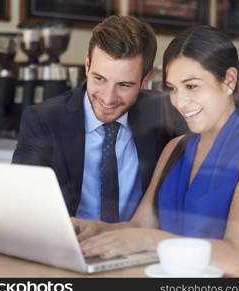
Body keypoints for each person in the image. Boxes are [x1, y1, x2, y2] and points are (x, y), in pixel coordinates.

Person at [72, 25, 239, 277]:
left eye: (192, 86)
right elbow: (139, 226)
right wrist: (92, 228)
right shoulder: (175, 148)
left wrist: (150, 240)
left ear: (229, 80)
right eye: (173, 88)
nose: (180, 102)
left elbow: (236, 258)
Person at [12, 15, 185, 222]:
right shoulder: (43, 120)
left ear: (145, 79)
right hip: (68, 245)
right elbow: (21, 204)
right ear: (87, 64)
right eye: (99, 79)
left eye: (125, 85)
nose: (108, 98)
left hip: (135, 246)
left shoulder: (167, 113)